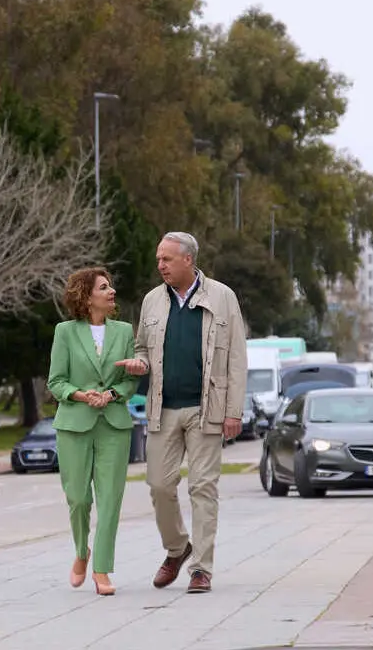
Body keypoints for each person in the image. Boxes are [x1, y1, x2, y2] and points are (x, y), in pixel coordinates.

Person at [115, 231, 248, 594]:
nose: (160, 265)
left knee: (203, 487)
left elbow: (236, 358)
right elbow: (143, 347)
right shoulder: (151, 302)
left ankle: (201, 568)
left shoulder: (223, 297)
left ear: (188, 260)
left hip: (207, 409)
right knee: (159, 485)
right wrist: (139, 364)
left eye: (167, 259)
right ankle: (177, 549)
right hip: (162, 408)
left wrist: (234, 411)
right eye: (159, 259)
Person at [47, 267, 138, 597]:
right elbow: (55, 381)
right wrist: (80, 394)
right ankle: (81, 551)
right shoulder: (65, 332)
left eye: (111, 285)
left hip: (114, 423)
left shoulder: (125, 331)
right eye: (103, 287)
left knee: (110, 499)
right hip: (74, 422)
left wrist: (112, 394)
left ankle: (101, 568)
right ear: (86, 297)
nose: (111, 291)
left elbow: (130, 380)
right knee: (79, 499)